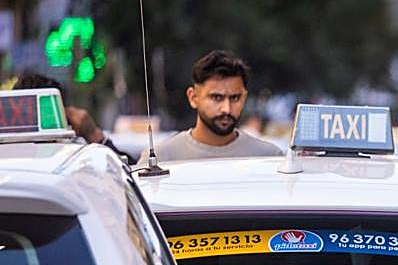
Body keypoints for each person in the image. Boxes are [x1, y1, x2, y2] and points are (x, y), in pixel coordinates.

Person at [138, 50, 279, 164]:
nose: (227, 109)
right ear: (193, 98)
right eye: (217, 98)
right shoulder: (161, 160)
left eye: (235, 98)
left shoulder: (270, 159)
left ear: (244, 97)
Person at [9, 72, 134, 162]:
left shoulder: (6, 164)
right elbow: (133, 176)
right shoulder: (76, 165)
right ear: (63, 115)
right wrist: (94, 135)